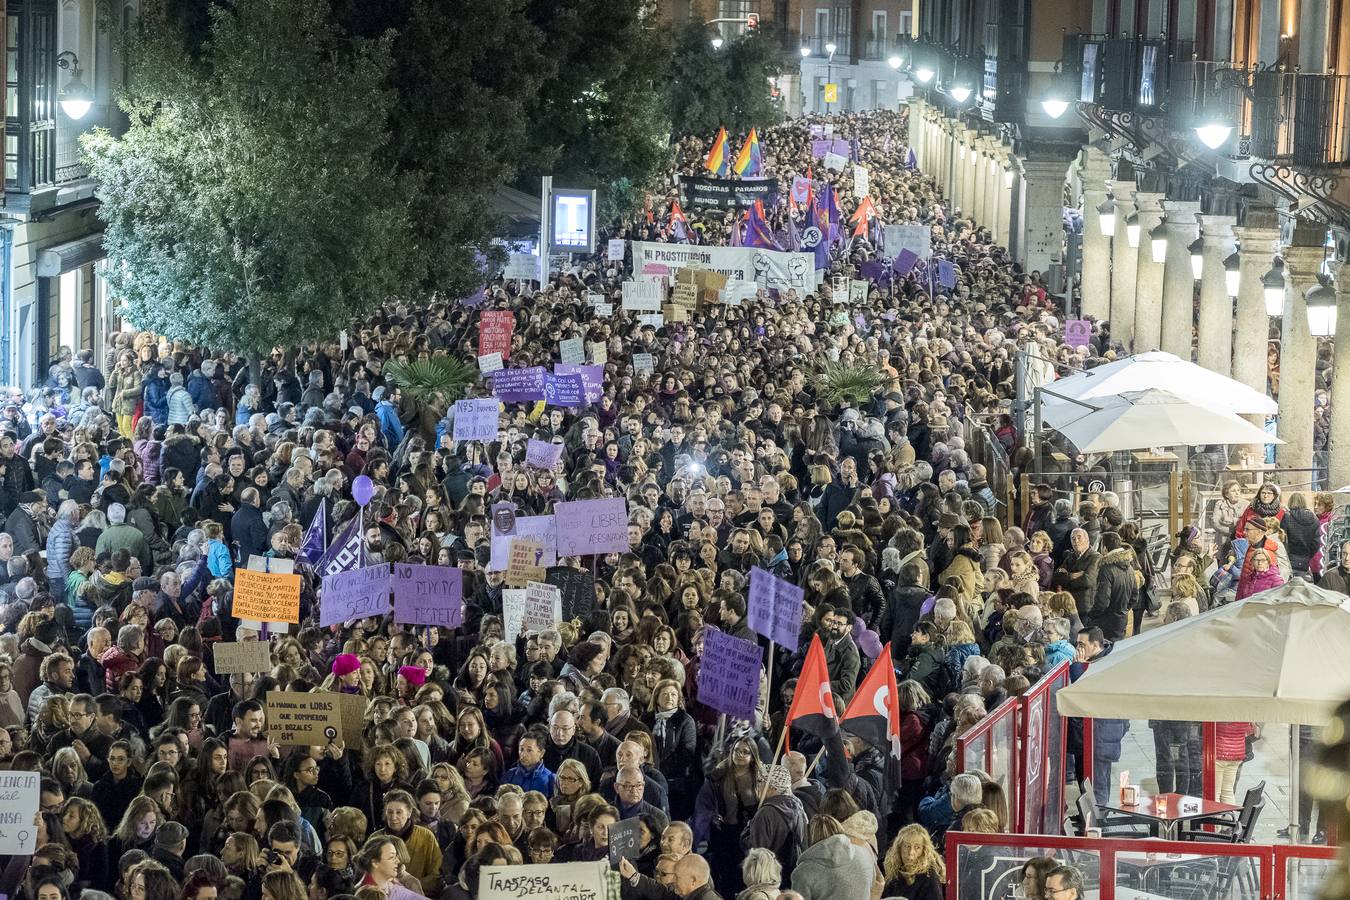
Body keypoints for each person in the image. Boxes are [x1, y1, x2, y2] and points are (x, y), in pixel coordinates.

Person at [880, 825, 944, 900]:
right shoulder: (892, 871)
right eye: (907, 846)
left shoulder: (929, 877)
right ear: (899, 848)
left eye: (917, 847)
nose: (911, 852)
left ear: (923, 850)